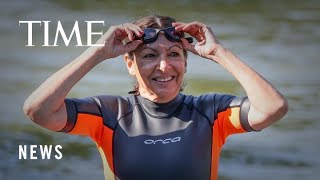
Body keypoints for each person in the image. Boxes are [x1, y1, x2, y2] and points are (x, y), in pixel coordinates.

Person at [23, 14, 288, 180]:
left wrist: (219, 53)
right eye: (150, 56)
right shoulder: (110, 114)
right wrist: (98, 52)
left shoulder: (211, 112)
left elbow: (273, 107)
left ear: (186, 61)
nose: (164, 66)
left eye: (174, 54)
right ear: (130, 63)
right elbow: (39, 110)